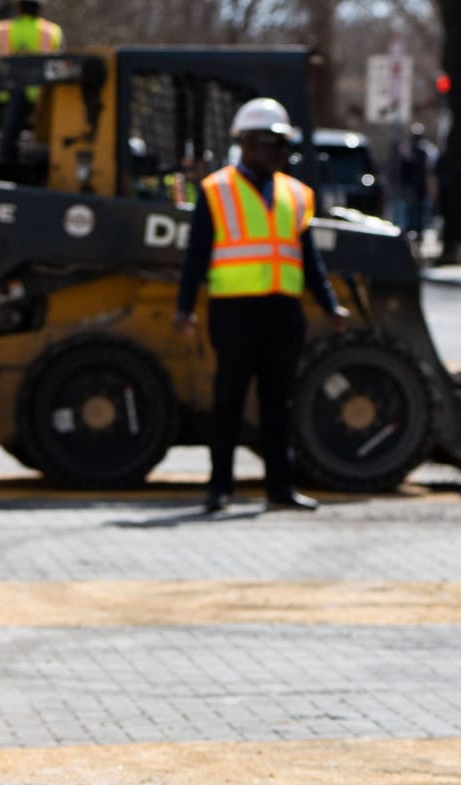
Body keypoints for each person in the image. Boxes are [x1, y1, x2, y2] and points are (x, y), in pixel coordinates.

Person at [174, 97, 350, 514]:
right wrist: (184, 308)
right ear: (248, 144)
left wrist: (330, 305)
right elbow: (196, 255)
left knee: (278, 404)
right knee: (228, 401)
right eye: (272, 144)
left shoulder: (296, 194)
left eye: (282, 145)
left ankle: (280, 488)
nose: (279, 152)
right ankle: (220, 488)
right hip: (233, 312)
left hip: (282, 314)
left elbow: (309, 259)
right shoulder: (217, 190)